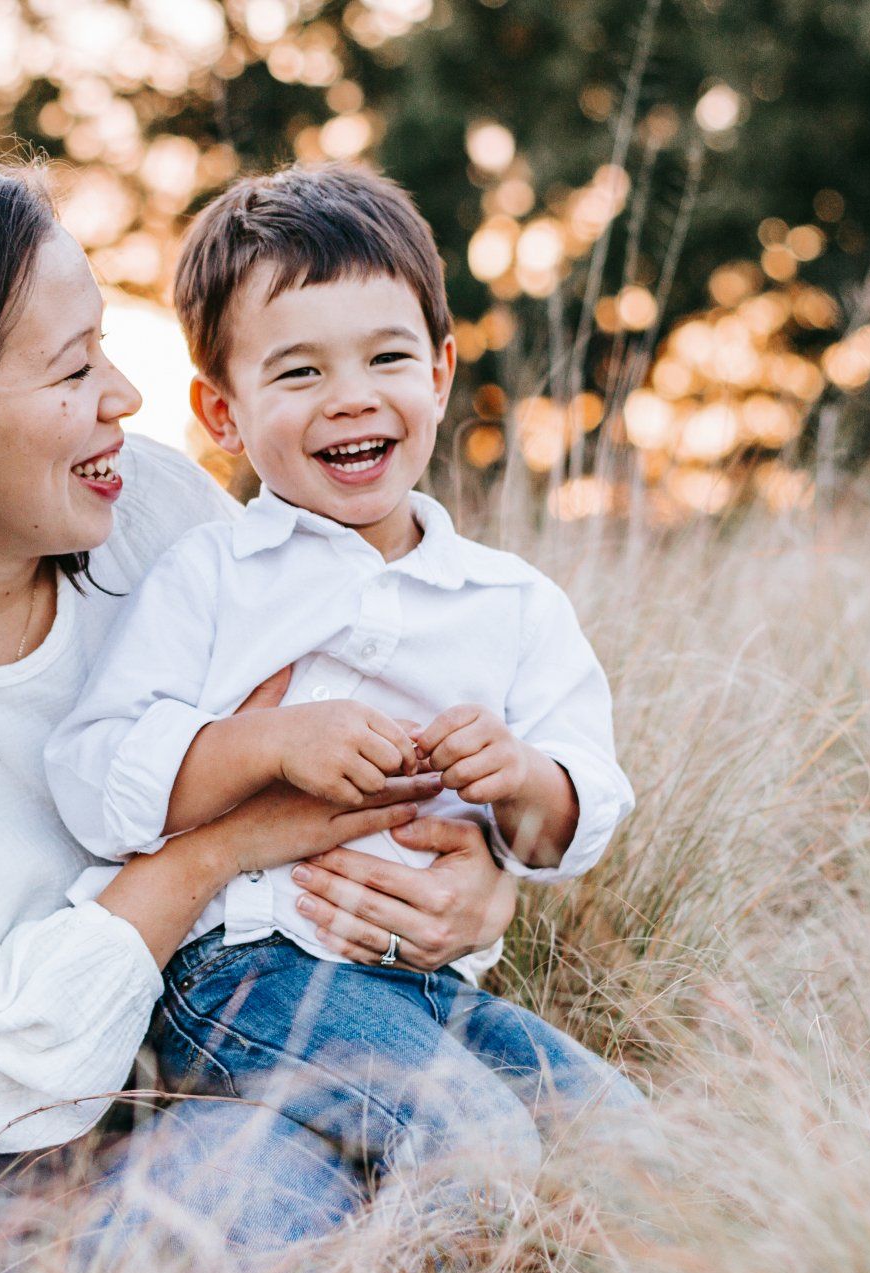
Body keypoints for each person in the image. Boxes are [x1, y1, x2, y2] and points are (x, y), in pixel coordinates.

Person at [0, 152, 537, 1273]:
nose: (125, 397)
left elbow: (346, 769)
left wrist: (472, 884)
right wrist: (221, 844)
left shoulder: (152, 510)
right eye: (74, 370)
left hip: (205, 1084)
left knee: (387, 1181)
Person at [44, 164, 652, 1211]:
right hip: (244, 973)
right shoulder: (210, 574)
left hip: (425, 981)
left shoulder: (509, 600)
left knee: (630, 1142)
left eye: (387, 358)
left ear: (442, 372)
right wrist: (269, 744)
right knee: (471, 1143)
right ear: (222, 413)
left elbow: (574, 821)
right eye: (300, 374)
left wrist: (521, 777)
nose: (354, 396)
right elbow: (94, 772)